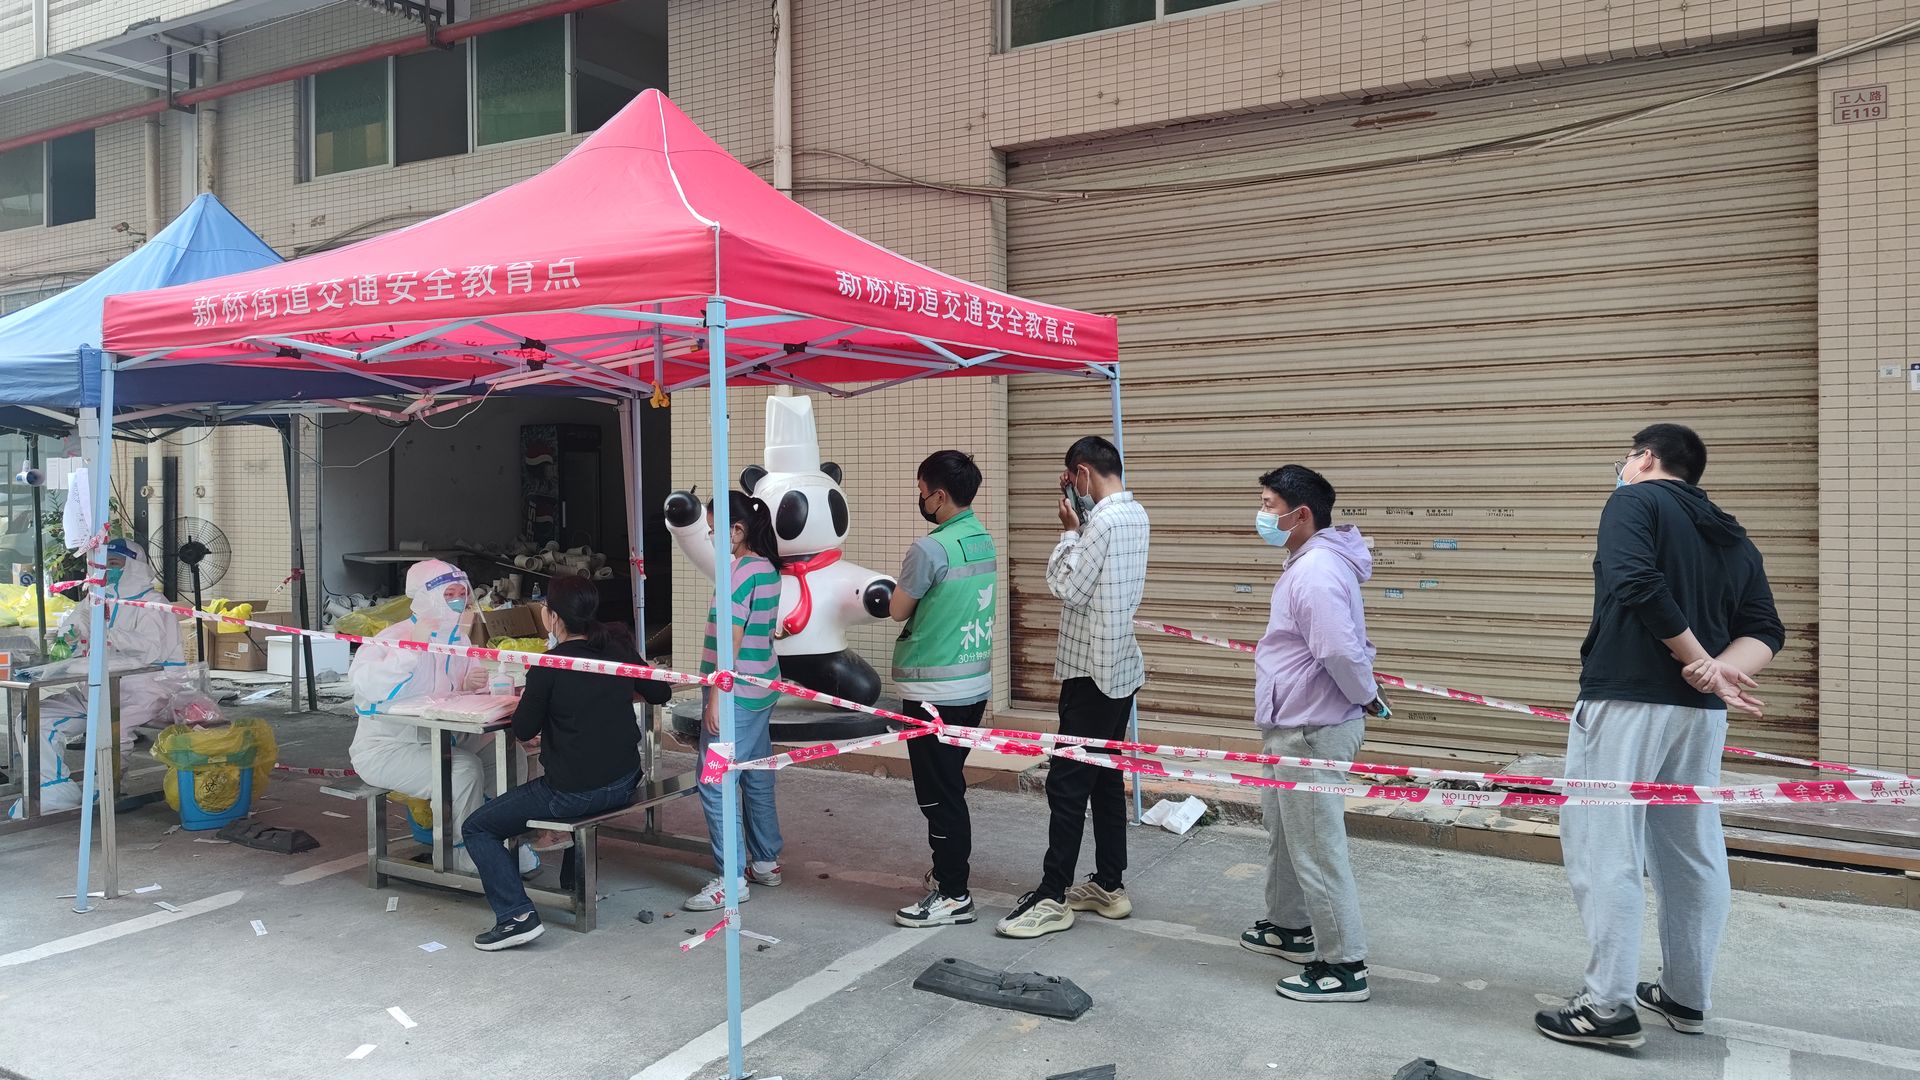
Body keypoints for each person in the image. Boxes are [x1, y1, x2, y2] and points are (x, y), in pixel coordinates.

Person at [1535, 424, 1783, 1050]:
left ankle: (1606, 1007)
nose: (1622, 467)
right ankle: (1685, 995)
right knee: (1689, 848)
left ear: (1644, 458)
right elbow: (1765, 629)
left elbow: (1636, 582)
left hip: (1626, 698)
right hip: (1700, 715)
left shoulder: (1632, 502)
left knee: (1604, 844)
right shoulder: (1731, 532)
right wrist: (1721, 673)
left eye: (1626, 456)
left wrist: (1698, 660)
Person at [1237, 465, 1387, 1003]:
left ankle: (1345, 965)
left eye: (1268, 504)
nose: (1262, 514)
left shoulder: (1317, 570)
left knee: (1317, 847)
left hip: (1313, 727)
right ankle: (1289, 927)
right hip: (1292, 722)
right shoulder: (1306, 561)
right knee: (1286, 834)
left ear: (1300, 515)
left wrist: (1364, 693)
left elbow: (1339, 650)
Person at [461, 575, 672, 950]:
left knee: (478, 827)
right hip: (625, 779)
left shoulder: (549, 665)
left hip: (576, 794)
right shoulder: (616, 644)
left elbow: (524, 729)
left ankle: (516, 916)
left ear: (553, 616)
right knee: (582, 770)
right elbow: (660, 690)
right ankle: (571, 884)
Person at [998, 435, 1150, 939]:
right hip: (1120, 668)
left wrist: (1068, 533)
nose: (1071, 490)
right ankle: (1110, 884)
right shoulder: (1136, 515)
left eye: (1071, 479)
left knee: (1066, 784)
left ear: (1083, 473)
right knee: (1104, 778)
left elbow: (1069, 587)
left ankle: (1052, 894)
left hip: (1091, 671)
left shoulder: (1101, 523)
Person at [348, 559, 534, 876]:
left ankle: (504, 838)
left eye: (462, 593)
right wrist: (411, 649)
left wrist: (472, 683)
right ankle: (465, 852)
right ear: (427, 597)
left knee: (507, 755)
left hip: (443, 738)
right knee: (462, 771)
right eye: (450, 594)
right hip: (387, 748)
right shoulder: (392, 638)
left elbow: (460, 687)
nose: (458, 601)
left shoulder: (457, 640)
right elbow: (367, 690)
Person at [890, 450, 997, 928]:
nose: (920, 500)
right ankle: (948, 875)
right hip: (973, 688)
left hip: (934, 690)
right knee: (949, 785)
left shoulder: (929, 549)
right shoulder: (982, 539)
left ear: (938, 494)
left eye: (921, 492)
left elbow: (897, 609)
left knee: (939, 795)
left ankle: (954, 893)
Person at [8, 540, 188, 817]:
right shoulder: (94, 600)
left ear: (134, 567)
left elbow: (151, 649)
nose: (107, 571)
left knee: (111, 729)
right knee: (34, 719)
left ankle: (104, 786)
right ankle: (53, 787)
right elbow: (75, 628)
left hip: (147, 690)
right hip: (94, 688)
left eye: (115, 564)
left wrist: (106, 635)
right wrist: (67, 639)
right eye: (103, 565)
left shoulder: (153, 604)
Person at [684, 491, 787, 913]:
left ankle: (731, 879)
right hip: (763, 688)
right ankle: (765, 861)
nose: (710, 538)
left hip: (736, 695)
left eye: (713, 531)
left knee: (714, 781)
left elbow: (733, 636)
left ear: (738, 530)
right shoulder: (768, 570)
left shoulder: (740, 573)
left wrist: (714, 698)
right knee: (756, 774)